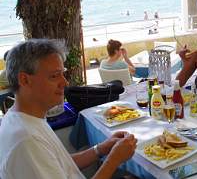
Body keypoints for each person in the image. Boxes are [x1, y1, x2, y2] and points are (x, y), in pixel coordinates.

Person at [0, 39, 137, 179]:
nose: (64, 82)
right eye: (54, 76)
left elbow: (60, 164)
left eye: (62, 74)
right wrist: (113, 160)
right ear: (24, 80)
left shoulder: (23, 118)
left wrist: (100, 149)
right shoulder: (27, 141)